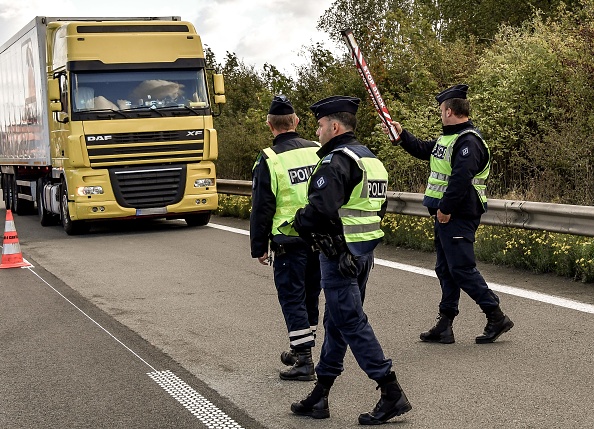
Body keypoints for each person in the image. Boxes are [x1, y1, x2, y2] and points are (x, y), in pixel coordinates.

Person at [285, 95, 411, 425]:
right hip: (362, 253)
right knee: (337, 323)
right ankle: (321, 395)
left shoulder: (337, 161)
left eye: (321, 124)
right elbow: (375, 210)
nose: (318, 129)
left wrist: (300, 220)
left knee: (351, 322)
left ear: (335, 126)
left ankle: (390, 391)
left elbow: (320, 210)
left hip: (338, 255)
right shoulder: (371, 160)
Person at [384, 84, 514, 344]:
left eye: (441, 110)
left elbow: (460, 179)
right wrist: (401, 135)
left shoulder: (469, 141)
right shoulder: (449, 139)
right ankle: (445, 324)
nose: (440, 114)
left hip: (458, 214)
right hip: (446, 215)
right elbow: (423, 149)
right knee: (445, 269)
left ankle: (496, 315)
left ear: (450, 111)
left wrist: (445, 209)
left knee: (462, 269)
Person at [250, 95, 322, 381]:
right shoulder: (319, 149)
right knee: (311, 295)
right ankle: (302, 348)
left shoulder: (269, 159)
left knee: (292, 298)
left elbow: (262, 207)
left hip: (288, 241)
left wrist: (259, 246)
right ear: (297, 122)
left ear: (270, 125)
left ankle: (303, 359)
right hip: (319, 238)